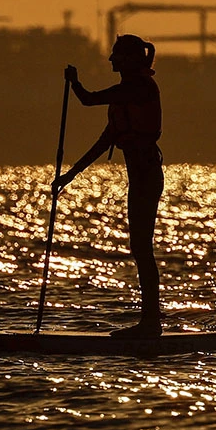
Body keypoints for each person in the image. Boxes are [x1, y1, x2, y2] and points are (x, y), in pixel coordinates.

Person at [52, 35, 164, 338]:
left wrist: (74, 82)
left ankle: (151, 324)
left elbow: (87, 99)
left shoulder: (138, 88)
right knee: (139, 248)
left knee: (143, 248)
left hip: (147, 176)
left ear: (128, 59)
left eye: (116, 55)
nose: (111, 60)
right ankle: (149, 322)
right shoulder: (124, 97)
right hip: (139, 178)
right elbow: (104, 142)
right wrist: (70, 175)